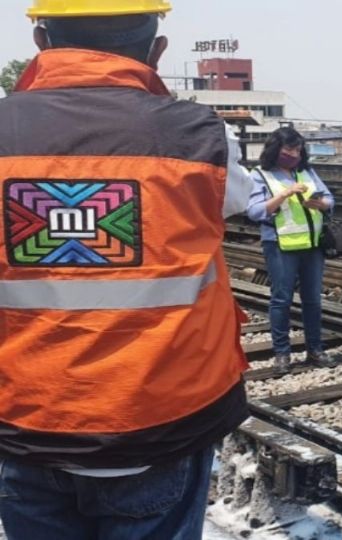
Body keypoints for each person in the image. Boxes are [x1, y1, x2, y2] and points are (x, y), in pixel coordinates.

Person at [0, 2, 254, 539]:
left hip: (25, 422)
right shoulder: (201, 137)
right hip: (160, 424)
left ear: (41, 41)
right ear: (157, 50)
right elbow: (242, 200)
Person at [246, 126, 335, 373]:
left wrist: (321, 203)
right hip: (280, 245)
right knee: (281, 299)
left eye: (298, 149)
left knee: (312, 300)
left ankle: (315, 350)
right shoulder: (260, 175)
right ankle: (282, 354)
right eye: (289, 149)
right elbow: (254, 211)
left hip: (312, 244)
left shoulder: (306, 171)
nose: (294, 154)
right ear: (276, 149)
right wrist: (285, 194)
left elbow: (330, 200)